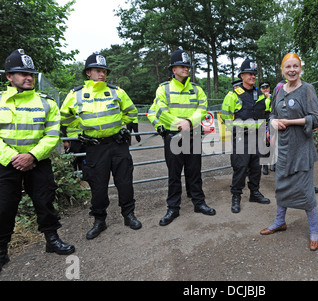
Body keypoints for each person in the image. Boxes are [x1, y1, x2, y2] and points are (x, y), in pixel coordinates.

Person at [0, 49, 75, 272]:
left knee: (45, 202)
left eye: (31, 73)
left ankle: (52, 240)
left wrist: (32, 156)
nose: (29, 77)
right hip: (6, 163)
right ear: (9, 77)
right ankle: (1, 251)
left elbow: (52, 135)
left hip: (38, 162)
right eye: (22, 73)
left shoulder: (47, 103)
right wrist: (14, 158)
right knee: (4, 207)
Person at [60, 53, 142, 240]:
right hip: (95, 147)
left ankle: (129, 215)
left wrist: (124, 126)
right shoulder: (76, 94)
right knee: (98, 185)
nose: (102, 74)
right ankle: (99, 221)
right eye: (98, 70)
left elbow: (131, 112)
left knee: (125, 181)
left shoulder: (116, 91)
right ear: (88, 72)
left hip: (118, 144)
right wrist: (80, 129)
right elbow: (65, 118)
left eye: (104, 71)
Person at [260, 53, 318, 251]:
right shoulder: (279, 90)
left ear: (300, 68)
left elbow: (317, 118)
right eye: (288, 67)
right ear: (282, 69)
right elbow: (272, 113)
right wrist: (273, 121)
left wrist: (291, 122)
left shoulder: (307, 89)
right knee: (282, 186)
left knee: (305, 190)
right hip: (283, 149)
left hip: (301, 148)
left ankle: (314, 230)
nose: (292, 70)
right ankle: (280, 222)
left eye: (295, 66)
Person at [148, 48, 216, 226]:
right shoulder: (163, 89)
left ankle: (199, 203)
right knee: (174, 174)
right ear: (173, 69)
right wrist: (180, 124)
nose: (186, 68)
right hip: (174, 136)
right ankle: (173, 208)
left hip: (192, 135)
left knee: (195, 172)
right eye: (182, 66)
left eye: (187, 66)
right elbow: (160, 111)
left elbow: (202, 109)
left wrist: (188, 121)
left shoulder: (197, 90)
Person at [221, 58, 271, 214]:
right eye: (249, 74)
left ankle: (254, 193)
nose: (252, 76)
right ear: (242, 76)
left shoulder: (261, 94)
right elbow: (226, 119)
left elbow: (266, 114)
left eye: (254, 74)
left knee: (256, 167)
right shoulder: (233, 94)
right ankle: (236, 196)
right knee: (240, 167)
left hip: (258, 137)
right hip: (241, 137)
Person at [259, 81, 272, 175]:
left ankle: (273, 163)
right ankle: (265, 166)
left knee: (273, 144)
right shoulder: (259, 98)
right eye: (263, 88)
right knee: (264, 145)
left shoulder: (273, 97)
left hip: (272, 121)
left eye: (267, 87)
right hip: (262, 123)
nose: (265, 89)